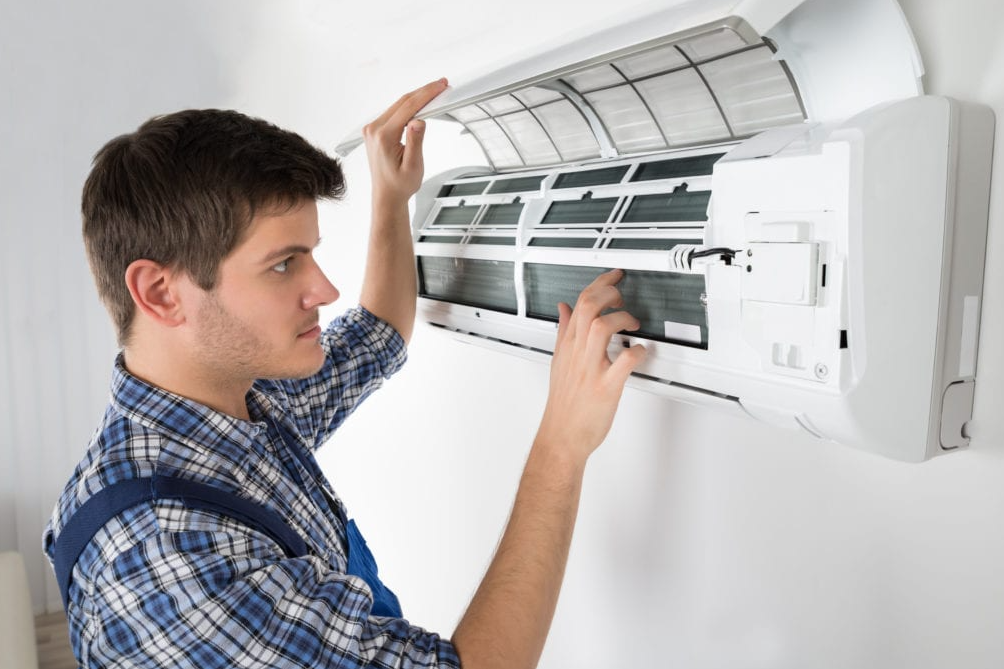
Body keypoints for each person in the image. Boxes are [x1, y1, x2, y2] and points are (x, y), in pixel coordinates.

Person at [43, 78, 646, 669]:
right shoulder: (168, 558)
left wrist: (393, 198)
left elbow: (376, 336)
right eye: (283, 265)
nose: (325, 289)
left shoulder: (235, 409)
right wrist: (561, 447)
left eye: (310, 253)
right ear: (161, 293)